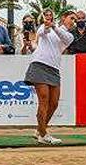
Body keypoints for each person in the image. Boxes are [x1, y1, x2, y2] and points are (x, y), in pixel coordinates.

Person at [24, 9, 76, 145]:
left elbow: (64, 37)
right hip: (39, 65)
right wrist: (47, 26)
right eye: (72, 18)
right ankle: (43, 134)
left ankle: (39, 129)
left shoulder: (69, 36)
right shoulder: (45, 27)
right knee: (44, 100)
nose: (74, 22)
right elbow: (41, 33)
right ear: (64, 18)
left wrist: (53, 26)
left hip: (54, 69)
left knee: (54, 103)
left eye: (75, 19)